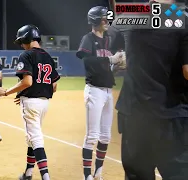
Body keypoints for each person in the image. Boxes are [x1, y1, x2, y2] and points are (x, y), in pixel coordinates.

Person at [111, 0, 188, 179]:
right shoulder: (181, 17)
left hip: (134, 116)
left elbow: (114, 45)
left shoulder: (130, 15)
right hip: (172, 117)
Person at [0, 24, 60, 180]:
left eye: (22, 41)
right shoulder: (47, 56)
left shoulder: (26, 55)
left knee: (35, 138)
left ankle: (46, 177)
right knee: (31, 138)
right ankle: (28, 174)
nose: (22, 45)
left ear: (27, 39)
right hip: (44, 103)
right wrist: (26, 93)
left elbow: (27, 81)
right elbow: (54, 86)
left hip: (31, 104)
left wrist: (6, 92)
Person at [76, 6, 126, 180]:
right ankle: (87, 176)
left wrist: (117, 65)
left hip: (107, 91)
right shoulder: (87, 39)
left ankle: (98, 173)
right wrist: (109, 59)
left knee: (106, 135)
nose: (106, 22)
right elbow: (87, 60)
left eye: (107, 19)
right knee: (92, 136)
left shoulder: (108, 41)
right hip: (94, 90)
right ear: (95, 20)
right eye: (104, 19)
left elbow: (108, 68)